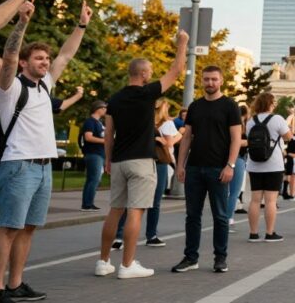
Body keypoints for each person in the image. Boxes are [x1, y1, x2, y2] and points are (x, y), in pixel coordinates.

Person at [0, 0, 89, 303]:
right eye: (39, 58)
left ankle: (16, 283)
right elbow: (7, 57)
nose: (45, 62)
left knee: (28, 229)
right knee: (8, 229)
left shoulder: (45, 85)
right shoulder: (10, 88)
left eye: (46, 58)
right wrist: (21, 23)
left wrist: (81, 24)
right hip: (19, 165)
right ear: (24, 62)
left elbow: (67, 54)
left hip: (45, 167)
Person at [97, 32, 187, 279]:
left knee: (115, 210)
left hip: (118, 161)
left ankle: (103, 262)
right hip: (141, 160)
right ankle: (127, 265)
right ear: (145, 74)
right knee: (136, 211)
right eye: (150, 72)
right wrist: (182, 44)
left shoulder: (115, 99)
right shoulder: (147, 93)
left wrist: (107, 159)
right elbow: (176, 70)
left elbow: (109, 134)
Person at [172, 66, 242, 274]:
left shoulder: (230, 106)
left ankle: (220, 258)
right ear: (201, 81)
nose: (210, 83)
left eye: (214, 79)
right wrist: (180, 164)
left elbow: (236, 139)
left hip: (218, 169)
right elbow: (187, 137)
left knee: (220, 216)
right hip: (194, 168)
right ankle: (190, 257)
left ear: (221, 81)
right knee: (192, 216)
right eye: (206, 79)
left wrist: (230, 165)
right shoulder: (195, 106)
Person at [244, 93, 293, 242]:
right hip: (273, 164)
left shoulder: (251, 121)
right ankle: (270, 233)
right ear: (270, 104)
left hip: (254, 164)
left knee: (255, 200)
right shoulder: (277, 119)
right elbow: (288, 137)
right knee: (271, 201)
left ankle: (253, 233)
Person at [145, 98, 180, 246]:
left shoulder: (144, 120)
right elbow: (169, 143)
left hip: (142, 160)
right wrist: (181, 134)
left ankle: (120, 236)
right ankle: (151, 235)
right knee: (155, 201)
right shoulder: (167, 123)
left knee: (132, 200)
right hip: (159, 162)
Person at [80, 101, 108, 211]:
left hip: (99, 154)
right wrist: (104, 141)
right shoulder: (90, 122)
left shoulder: (99, 123)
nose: (106, 110)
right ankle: (87, 204)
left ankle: (88, 203)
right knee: (94, 179)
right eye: (104, 108)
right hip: (93, 154)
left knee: (92, 179)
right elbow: (88, 137)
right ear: (98, 109)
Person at [226, 106, 249, 233]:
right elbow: (236, 142)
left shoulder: (226, 122)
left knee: (227, 192)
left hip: (226, 158)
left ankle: (225, 218)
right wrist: (246, 142)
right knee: (234, 192)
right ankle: (228, 219)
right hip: (237, 159)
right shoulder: (239, 125)